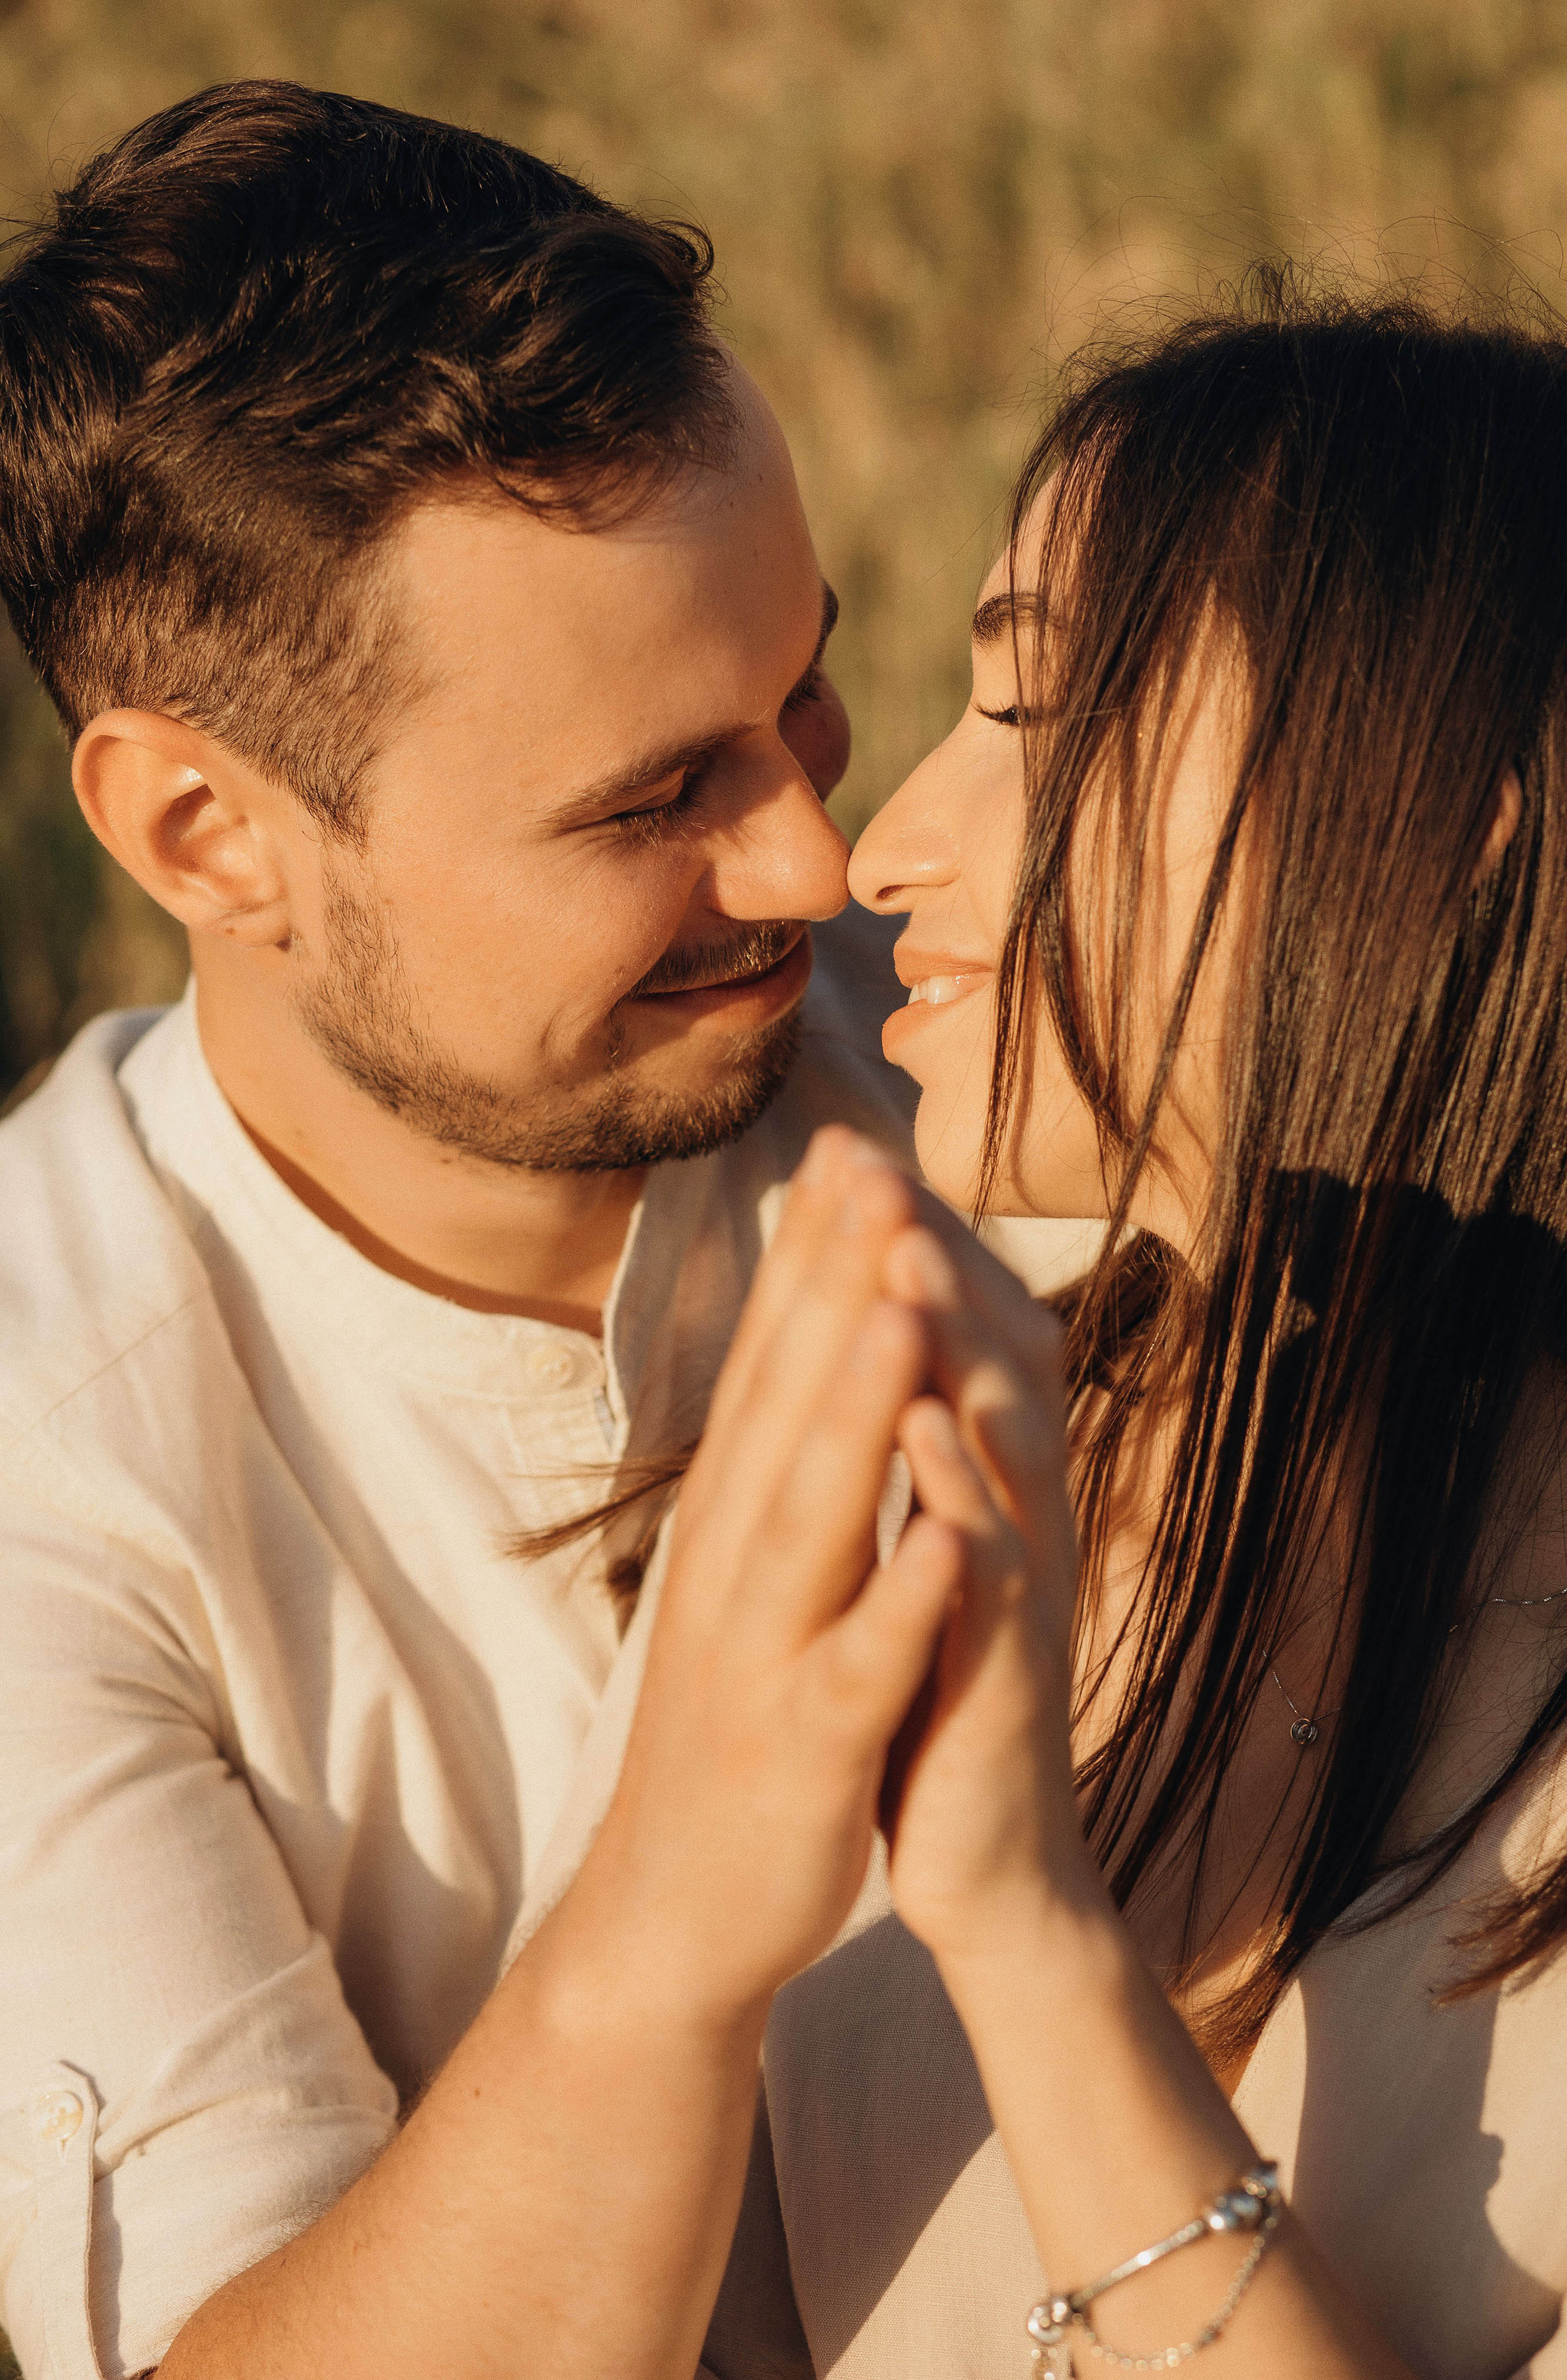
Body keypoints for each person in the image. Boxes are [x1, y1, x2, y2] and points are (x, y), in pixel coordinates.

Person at [516, 283, 1567, 2379]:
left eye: (1037, 724)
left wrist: (1021, 1928)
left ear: (1450, 819)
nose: (878, 850)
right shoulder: (878, 1468)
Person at [0, 76, 965, 2380]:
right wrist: (676, 1912)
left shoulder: (1011, 1062)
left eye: (805, 690)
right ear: (206, 834)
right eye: (653, 803)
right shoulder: (47, 1439)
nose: (816, 870)